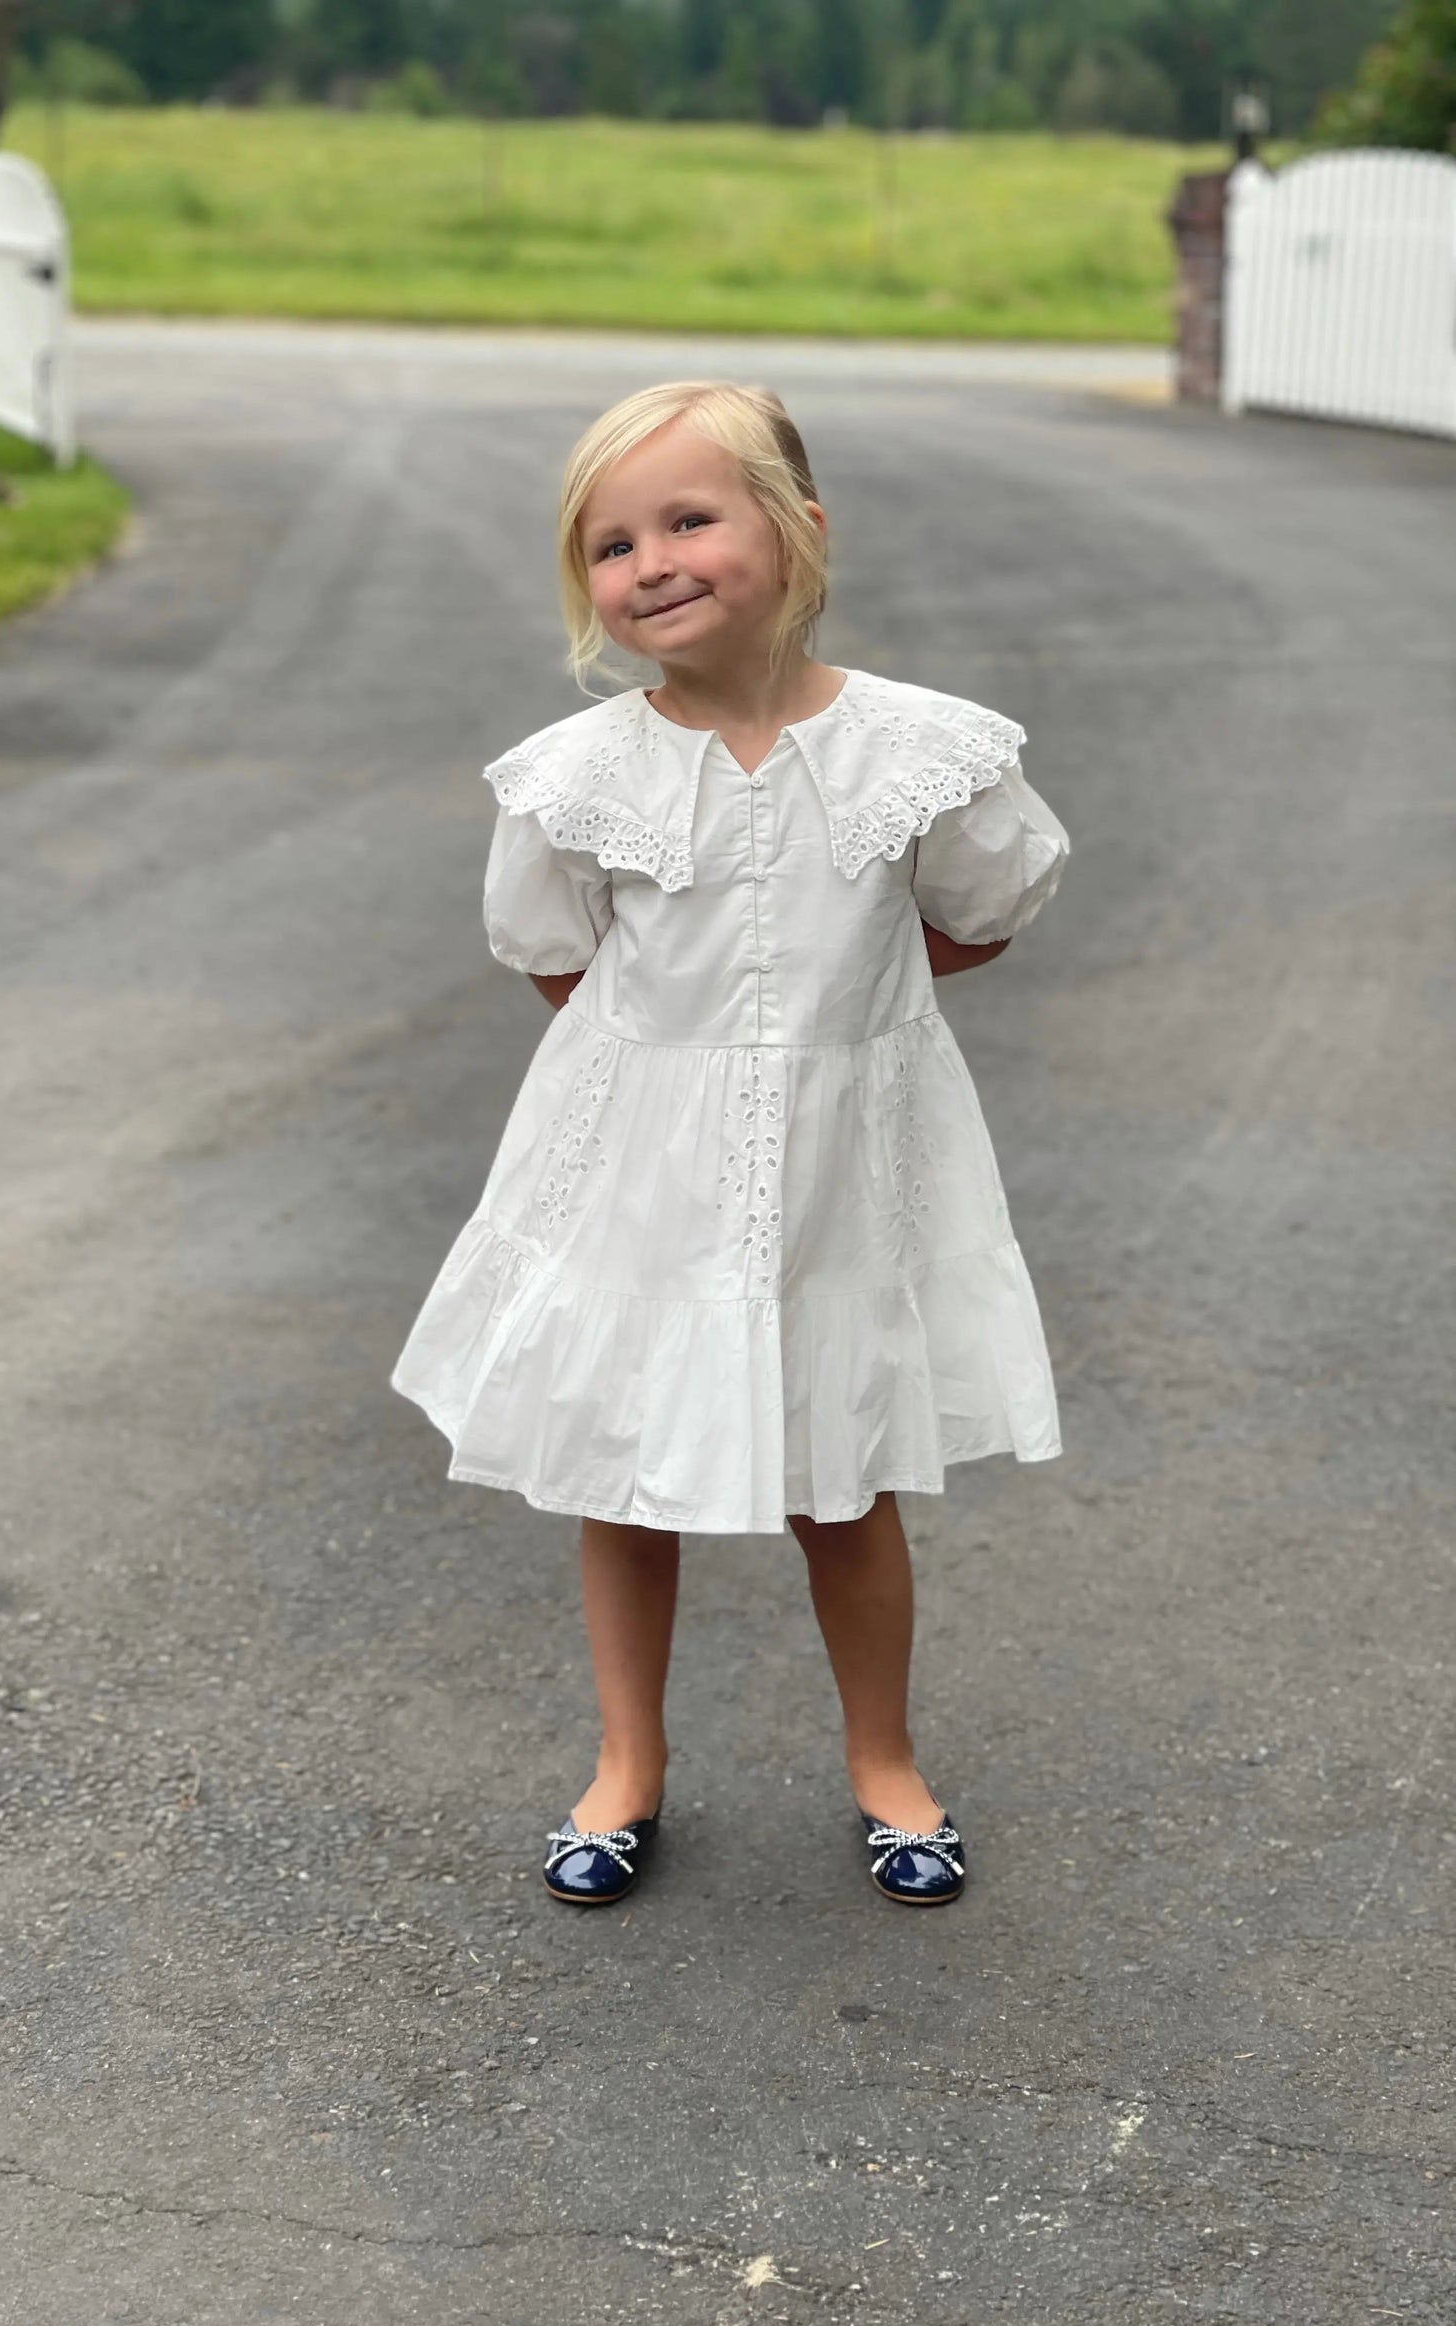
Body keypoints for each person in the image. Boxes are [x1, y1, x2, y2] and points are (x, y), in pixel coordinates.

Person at [389, 380, 1070, 1912]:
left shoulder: (921, 750)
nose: (651, 561)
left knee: (848, 1477)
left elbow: (972, 917)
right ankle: (629, 1761)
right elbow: (563, 962)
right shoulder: (582, 778)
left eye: (690, 517)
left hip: (844, 1172)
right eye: (611, 544)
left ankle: (884, 1759)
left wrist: (825, 1022)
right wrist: (695, 1061)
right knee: (623, 1475)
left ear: (799, 531)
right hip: (643, 1170)